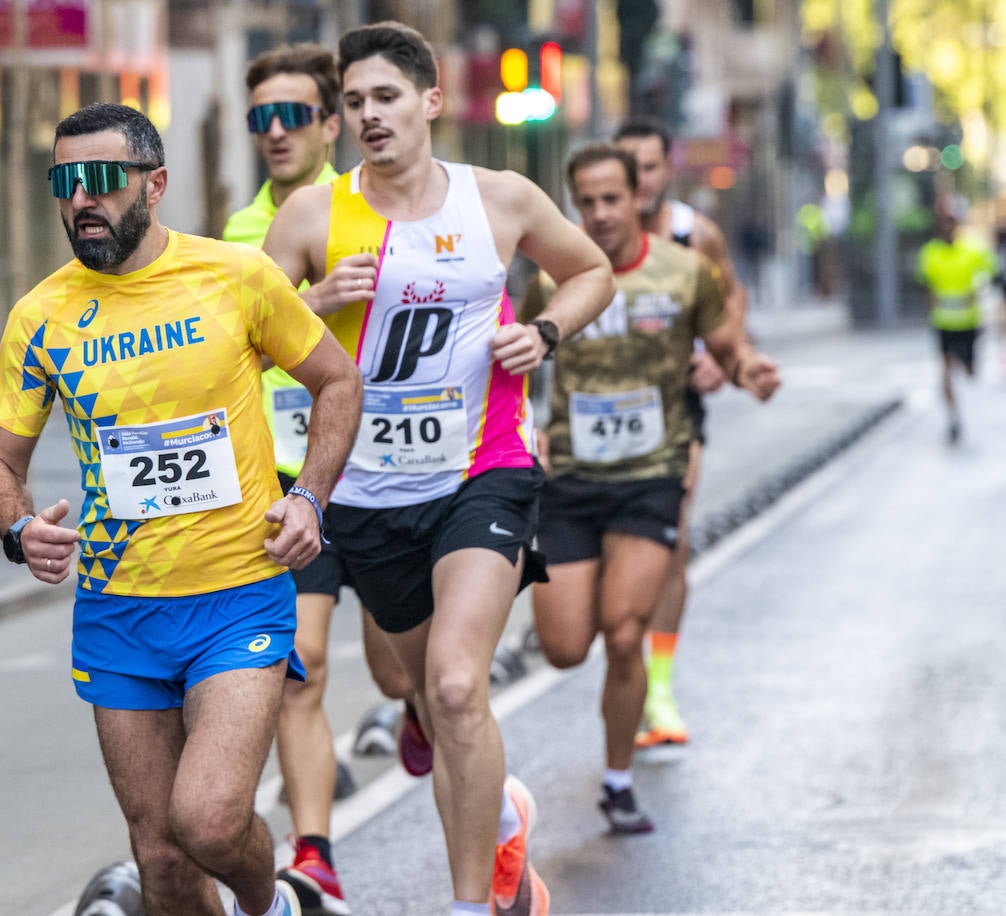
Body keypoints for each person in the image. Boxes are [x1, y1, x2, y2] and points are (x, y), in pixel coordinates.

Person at [0, 103, 362, 916]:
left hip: (237, 592)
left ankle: (276, 905)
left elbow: (338, 381)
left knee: (210, 823)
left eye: (101, 181)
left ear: (154, 183)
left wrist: (310, 500)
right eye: (65, 182)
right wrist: (18, 529)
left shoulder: (237, 277)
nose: (82, 199)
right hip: (119, 609)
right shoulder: (40, 316)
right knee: (161, 859)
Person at [264, 23, 615, 916]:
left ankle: (470, 906)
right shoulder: (312, 215)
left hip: (483, 474)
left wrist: (542, 333)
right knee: (421, 691)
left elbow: (593, 271)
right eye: (353, 103)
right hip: (369, 497)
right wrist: (313, 302)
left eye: (385, 97)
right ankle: (499, 814)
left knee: (459, 685)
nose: (368, 115)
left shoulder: (497, 199)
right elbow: (244, 341)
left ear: (429, 101)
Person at [528, 145, 780, 834]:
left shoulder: (684, 271)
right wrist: (523, 428)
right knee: (564, 647)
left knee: (623, 632)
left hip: (651, 475)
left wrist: (747, 367)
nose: (602, 213)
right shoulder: (553, 280)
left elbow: (724, 344)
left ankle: (617, 779)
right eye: (588, 201)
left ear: (638, 195)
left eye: (614, 198)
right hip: (572, 480)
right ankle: (616, 750)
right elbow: (511, 360)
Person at [222, 43, 399, 916]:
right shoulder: (237, 241)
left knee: (408, 674)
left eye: (296, 114)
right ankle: (316, 850)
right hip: (297, 475)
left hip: (403, 475)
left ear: (333, 123)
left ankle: (417, 716)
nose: (278, 131)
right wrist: (308, 306)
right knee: (305, 667)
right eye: (263, 117)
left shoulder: (385, 208)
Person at [613, 119, 750, 748]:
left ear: (667, 169)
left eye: (648, 166)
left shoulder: (699, 235)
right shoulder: (591, 236)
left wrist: (722, 359)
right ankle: (625, 667)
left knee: (673, 537)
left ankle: (659, 688)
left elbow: (731, 298)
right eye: (627, 167)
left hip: (679, 403)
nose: (638, 181)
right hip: (603, 411)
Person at [917, 194, 998, 444]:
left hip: (969, 323)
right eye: (943, 221)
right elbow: (927, 287)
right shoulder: (930, 253)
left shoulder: (973, 250)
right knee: (945, 371)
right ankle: (954, 419)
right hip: (943, 323)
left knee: (970, 372)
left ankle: (965, 365)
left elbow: (990, 277)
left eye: (951, 221)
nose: (947, 226)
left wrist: (976, 294)